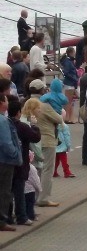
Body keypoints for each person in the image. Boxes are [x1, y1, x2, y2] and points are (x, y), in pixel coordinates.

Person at [27, 80, 64, 207]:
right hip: (47, 139)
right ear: (42, 90)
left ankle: (33, 196)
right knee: (47, 169)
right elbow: (59, 119)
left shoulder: (26, 103)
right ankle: (43, 198)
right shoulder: (44, 105)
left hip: (32, 140)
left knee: (34, 169)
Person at [9, 99, 40, 226]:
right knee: (19, 190)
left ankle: (8, 216)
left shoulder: (7, 124)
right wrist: (34, 126)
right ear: (18, 112)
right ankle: (22, 216)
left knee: (7, 191)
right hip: (21, 162)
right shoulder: (22, 126)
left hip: (8, 163)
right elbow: (35, 137)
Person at [0, 94, 22, 231]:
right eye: (6, 100)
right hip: (4, 160)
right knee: (4, 191)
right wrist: (15, 154)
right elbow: (6, 142)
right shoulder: (2, 121)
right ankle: (2, 221)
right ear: (2, 103)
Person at [59, 47, 78, 123]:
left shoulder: (68, 61)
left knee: (70, 101)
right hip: (70, 83)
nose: (75, 54)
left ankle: (69, 117)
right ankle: (68, 118)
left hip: (70, 83)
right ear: (71, 53)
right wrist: (74, 78)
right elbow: (66, 72)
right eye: (74, 52)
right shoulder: (68, 62)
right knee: (69, 101)